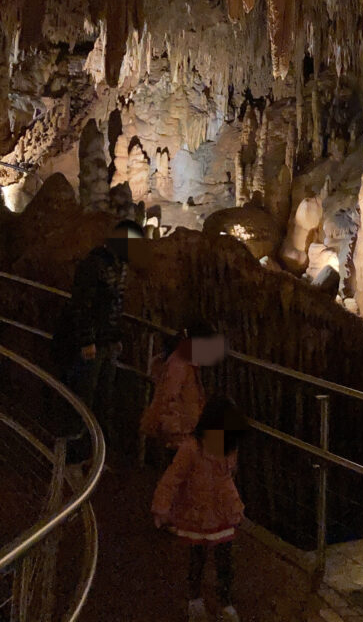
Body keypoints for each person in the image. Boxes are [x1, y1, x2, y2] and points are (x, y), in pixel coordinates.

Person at [52, 218, 145, 455]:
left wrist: (116, 338)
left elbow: (116, 306)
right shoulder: (94, 265)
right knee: (83, 397)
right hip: (90, 345)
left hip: (107, 343)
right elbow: (82, 305)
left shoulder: (120, 266)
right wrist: (86, 340)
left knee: (104, 398)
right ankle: (71, 456)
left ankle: (95, 455)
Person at [152, 395, 248, 622]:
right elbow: (172, 479)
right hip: (198, 513)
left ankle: (224, 602)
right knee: (198, 558)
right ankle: (195, 601)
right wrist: (161, 507)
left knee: (225, 560)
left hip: (221, 510)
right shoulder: (192, 449)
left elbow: (227, 478)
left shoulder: (227, 446)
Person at [140, 320, 222, 454]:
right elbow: (169, 396)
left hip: (185, 426)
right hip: (179, 430)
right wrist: (174, 429)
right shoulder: (180, 364)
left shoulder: (189, 363)